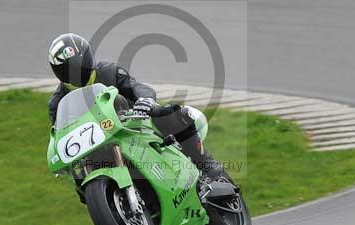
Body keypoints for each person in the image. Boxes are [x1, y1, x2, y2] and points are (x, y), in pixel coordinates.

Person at [47, 33, 225, 181]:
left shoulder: (109, 71)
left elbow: (136, 87)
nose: (76, 71)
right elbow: (61, 134)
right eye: (68, 68)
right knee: (78, 175)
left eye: (79, 64)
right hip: (98, 147)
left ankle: (204, 163)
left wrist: (145, 100)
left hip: (134, 124)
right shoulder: (57, 104)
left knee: (171, 114)